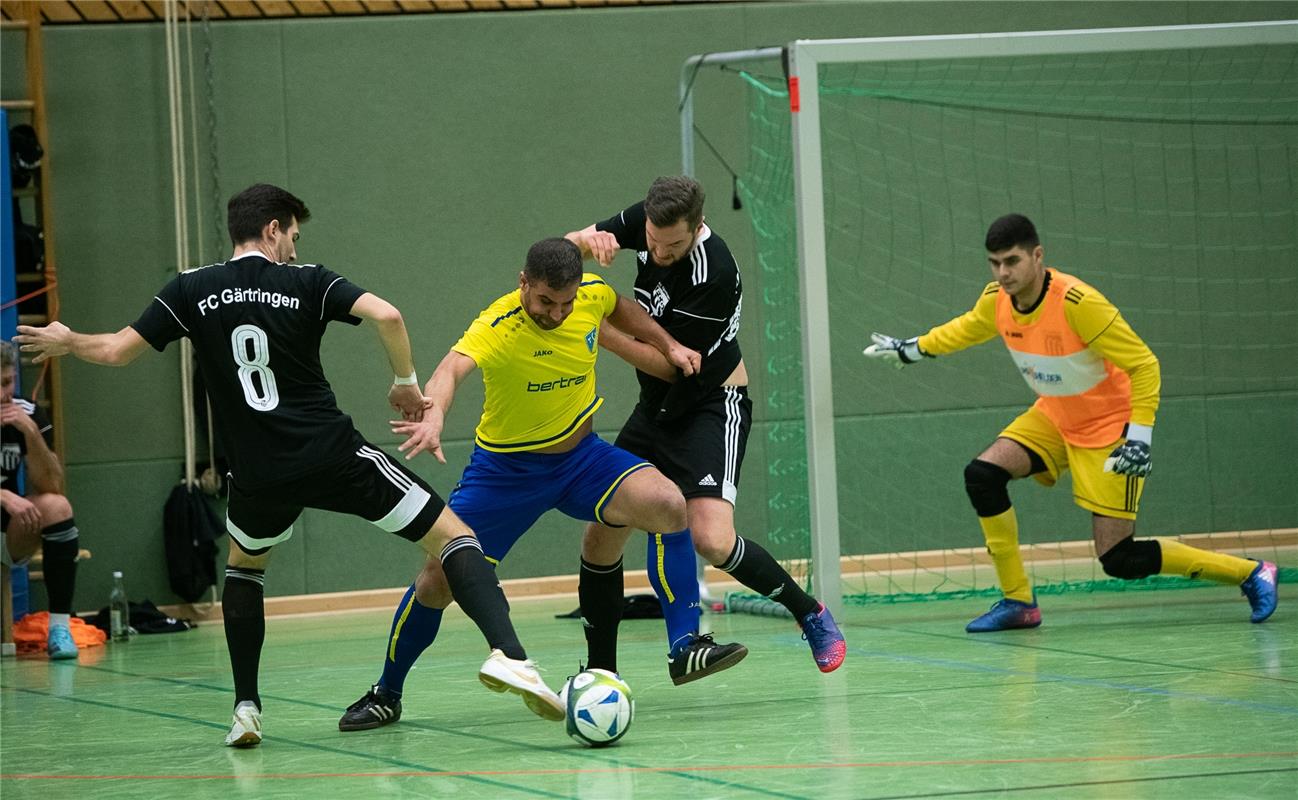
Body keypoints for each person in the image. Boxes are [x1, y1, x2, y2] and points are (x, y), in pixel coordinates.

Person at [15, 183, 561, 747]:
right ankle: (510, 655)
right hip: (331, 455)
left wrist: (68, 339)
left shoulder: (190, 290)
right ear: (273, 228)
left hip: (256, 472)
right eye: (293, 236)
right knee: (456, 540)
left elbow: (115, 351)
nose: (295, 249)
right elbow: (389, 316)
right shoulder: (307, 281)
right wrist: (404, 385)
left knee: (245, 570)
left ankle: (246, 708)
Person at [337, 237, 748, 732]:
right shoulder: (498, 324)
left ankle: (685, 647)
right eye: (545, 302)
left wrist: (670, 344)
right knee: (436, 580)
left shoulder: (590, 294)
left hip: (582, 459)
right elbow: (452, 368)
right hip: (505, 473)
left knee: (667, 503)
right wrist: (435, 414)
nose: (556, 312)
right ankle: (387, 691)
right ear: (523, 283)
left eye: (566, 302)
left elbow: (620, 308)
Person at [862, 213, 1278, 631]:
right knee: (983, 475)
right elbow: (968, 327)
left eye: (1011, 261)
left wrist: (1139, 437)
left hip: (1109, 429)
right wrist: (913, 349)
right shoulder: (998, 301)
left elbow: (1145, 365)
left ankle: (1250, 573)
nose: (1003, 273)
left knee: (1119, 558)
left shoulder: (1079, 304)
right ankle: (1018, 601)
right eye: (994, 263)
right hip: (1055, 416)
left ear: (1037, 255)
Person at [564, 176, 846, 678]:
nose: (658, 250)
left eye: (672, 244)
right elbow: (564, 253)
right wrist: (586, 242)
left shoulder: (714, 272)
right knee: (599, 539)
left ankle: (810, 613)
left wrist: (596, 329)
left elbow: (671, 365)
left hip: (710, 404)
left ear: (696, 229)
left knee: (711, 540)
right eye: (651, 241)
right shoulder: (647, 221)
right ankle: (600, 671)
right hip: (656, 410)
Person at [1, 340, 82, 660]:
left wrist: (30, 432)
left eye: (7, 383)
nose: (2, 394)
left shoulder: (28, 412)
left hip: (9, 532)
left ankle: (59, 628)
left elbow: (53, 485)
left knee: (57, 507)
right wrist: (4, 494)